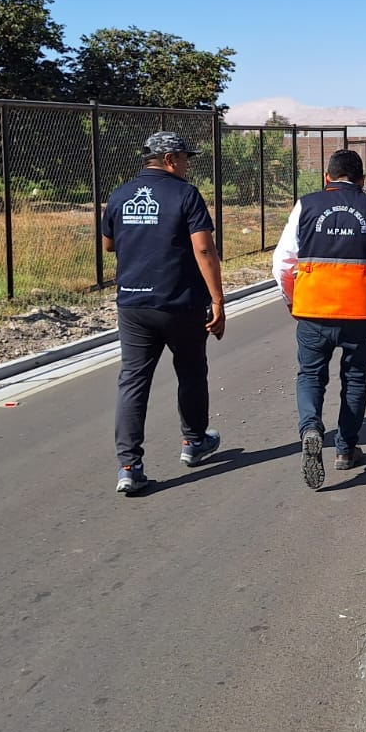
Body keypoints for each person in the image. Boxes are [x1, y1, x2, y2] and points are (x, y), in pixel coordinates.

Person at [101, 131, 227, 496]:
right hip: (180, 302)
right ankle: (194, 441)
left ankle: (128, 465)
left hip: (133, 304)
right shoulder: (185, 194)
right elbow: (204, 250)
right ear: (170, 159)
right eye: (186, 158)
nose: (188, 165)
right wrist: (218, 300)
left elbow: (109, 243)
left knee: (133, 381)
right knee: (190, 372)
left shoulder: (121, 194)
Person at [273, 149, 366, 490]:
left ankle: (312, 429)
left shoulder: (306, 204)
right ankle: (346, 450)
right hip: (360, 313)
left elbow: (282, 262)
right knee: (356, 379)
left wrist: (293, 299)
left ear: (327, 178)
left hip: (313, 310)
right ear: (362, 181)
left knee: (311, 377)